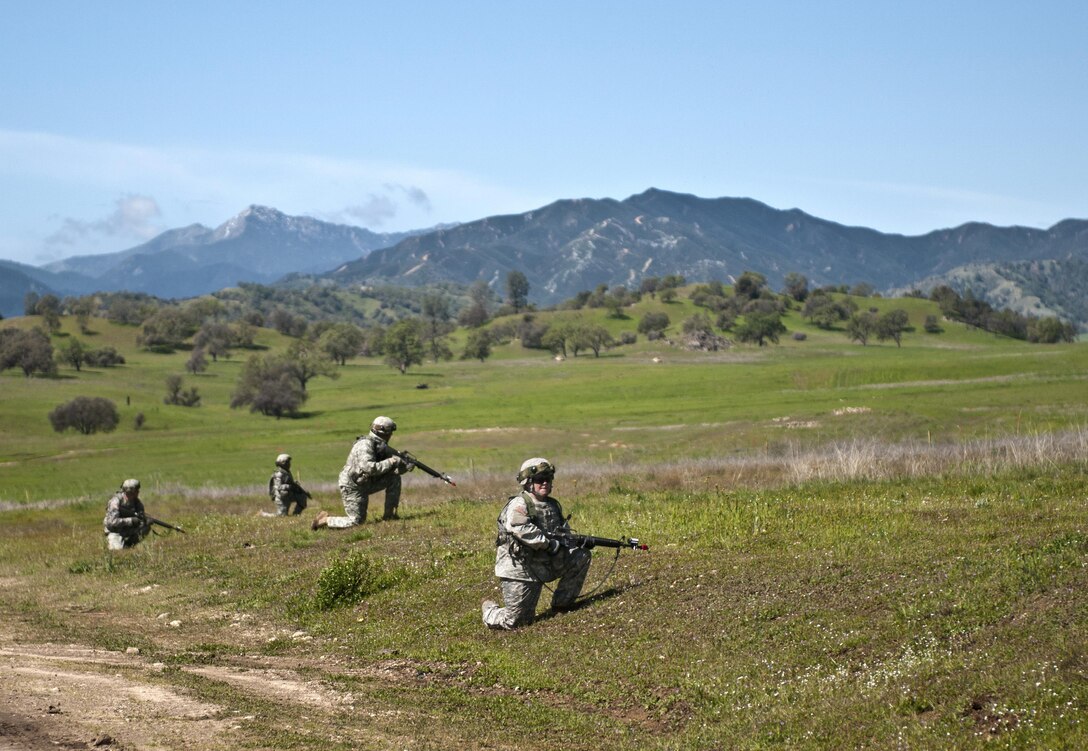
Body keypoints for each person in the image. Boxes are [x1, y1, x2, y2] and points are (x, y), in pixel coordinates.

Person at [482, 458, 592, 629]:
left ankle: (562, 603)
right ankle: (490, 611)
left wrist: (573, 542)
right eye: (540, 479)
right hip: (521, 568)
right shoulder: (519, 504)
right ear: (528, 482)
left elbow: (563, 532)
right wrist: (549, 544)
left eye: (548, 478)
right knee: (516, 621)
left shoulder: (553, 505)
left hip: (547, 561)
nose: (545, 483)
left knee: (581, 555)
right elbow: (521, 529)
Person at [313, 416, 412, 530]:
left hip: (365, 482)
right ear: (385, 433)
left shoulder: (380, 446)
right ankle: (324, 520)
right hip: (352, 486)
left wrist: (403, 467)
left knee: (394, 478)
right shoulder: (365, 445)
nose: (391, 435)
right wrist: (392, 461)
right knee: (356, 522)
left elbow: (391, 470)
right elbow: (369, 468)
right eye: (390, 432)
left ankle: (389, 516)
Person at [103, 478, 150, 550]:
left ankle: (128, 545)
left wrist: (145, 520)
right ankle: (119, 544)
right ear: (130, 491)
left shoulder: (137, 502)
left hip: (127, 529)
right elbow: (112, 522)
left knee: (145, 527)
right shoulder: (116, 501)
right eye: (136, 490)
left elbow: (140, 516)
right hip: (115, 531)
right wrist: (131, 520)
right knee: (117, 551)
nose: (138, 492)